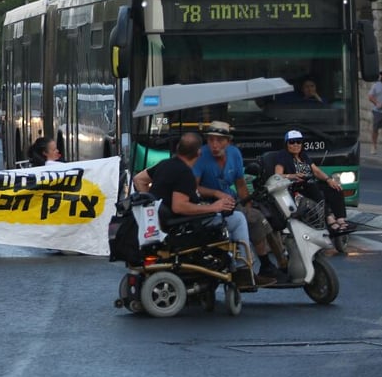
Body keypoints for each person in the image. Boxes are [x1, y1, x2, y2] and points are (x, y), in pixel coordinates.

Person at [132, 132, 274, 286]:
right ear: (199, 152)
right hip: (182, 226)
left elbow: (139, 179)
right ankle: (243, 271)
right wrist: (213, 207)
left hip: (165, 222)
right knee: (238, 219)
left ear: (179, 148)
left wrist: (150, 205)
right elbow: (179, 206)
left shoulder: (164, 164)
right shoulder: (185, 173)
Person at [193, 121, 287, 280]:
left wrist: (248, 206)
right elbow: (193, 187)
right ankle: (263, 264)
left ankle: (280, 263)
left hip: (231, 199)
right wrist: (215, 193)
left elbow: (240, 184)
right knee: (255, 218)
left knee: (263, 215)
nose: (215, 145)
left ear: (228, 141)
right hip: (208, 204)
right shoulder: (201, 156)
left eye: (220, 140)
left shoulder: (234, 153)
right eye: (211, 140)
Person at [271, 129, 350, 233]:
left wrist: (329, 180)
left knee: (335, 187)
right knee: (313, 187)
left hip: (310, 184)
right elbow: (278, 175)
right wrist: (292, 176)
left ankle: (340, 219)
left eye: (298, 141)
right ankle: (328, 218)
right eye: (292, 142)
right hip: (295, 187)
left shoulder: (303, 155)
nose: (296, 144)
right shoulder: (282, 156)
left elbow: (316, 171)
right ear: (286, 144)